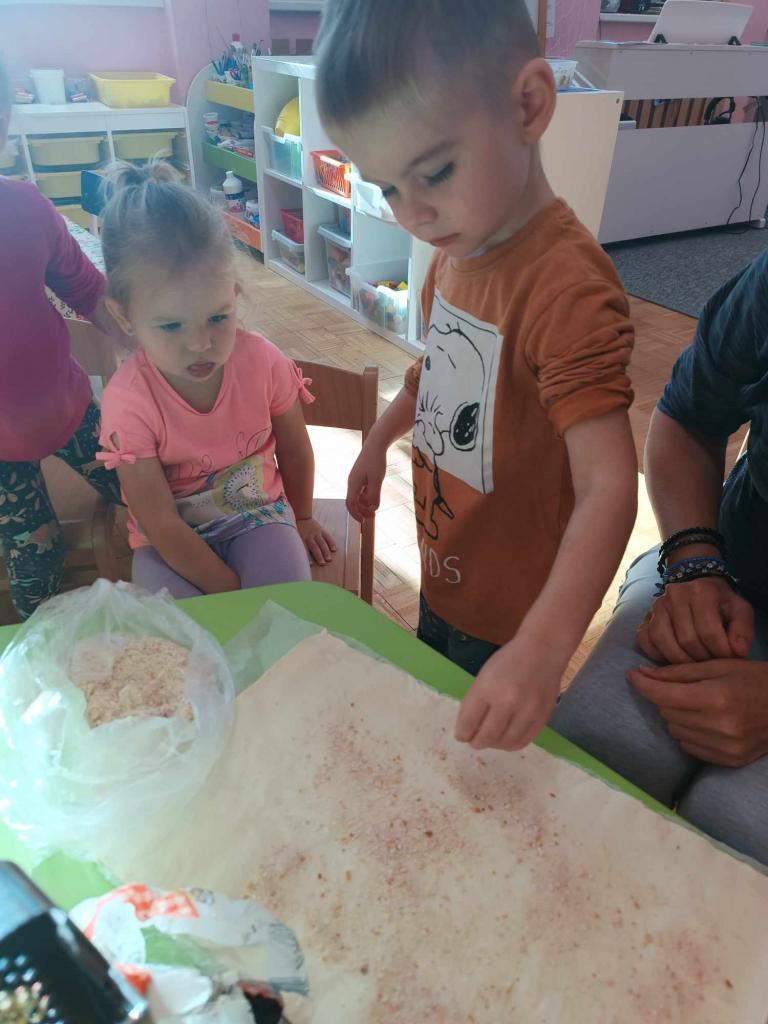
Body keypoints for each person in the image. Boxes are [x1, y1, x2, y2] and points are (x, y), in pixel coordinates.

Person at [314, 0, 638, 752]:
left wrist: (544, 649)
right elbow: (438, 373)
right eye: (389, 188)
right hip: (448, 566)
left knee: (484, 762)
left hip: (513, 610)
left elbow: (610, 487)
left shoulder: (566, 290)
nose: (414, 214)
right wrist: (378, 441)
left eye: (434, 172)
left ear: (528, 106)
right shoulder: (456, 255)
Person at [552, 250, 768, 865]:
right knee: (595, 745)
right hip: (726, 570)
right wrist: (694, 561)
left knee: (741, 827)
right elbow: (687, 417)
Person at [97, 161, 335, 597]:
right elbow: (160, 523)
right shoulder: (127, 402)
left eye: (218, 317)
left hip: (258, 518)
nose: (200, 343)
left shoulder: (263, 361)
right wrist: (231, 594)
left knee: (290, 614)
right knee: (179, 633)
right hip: (166, 541)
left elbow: (295, 449)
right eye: (171, 326)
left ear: (233, 295)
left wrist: (302, 517)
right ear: (124, 315)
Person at [0, 58, 122, 620]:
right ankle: (45, 657)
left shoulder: (26, 208)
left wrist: (149, 341)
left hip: (70, 409)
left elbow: (88, 290)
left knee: (151, 492)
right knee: (36, 568)